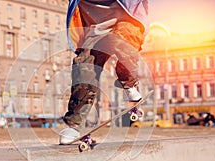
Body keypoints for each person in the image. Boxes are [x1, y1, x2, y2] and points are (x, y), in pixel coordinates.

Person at [59, 0, 149, 144]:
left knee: (121, 42)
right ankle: (73, 125)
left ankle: (129, 83)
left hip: (127, 23)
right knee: (84, 67)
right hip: (96, 31)